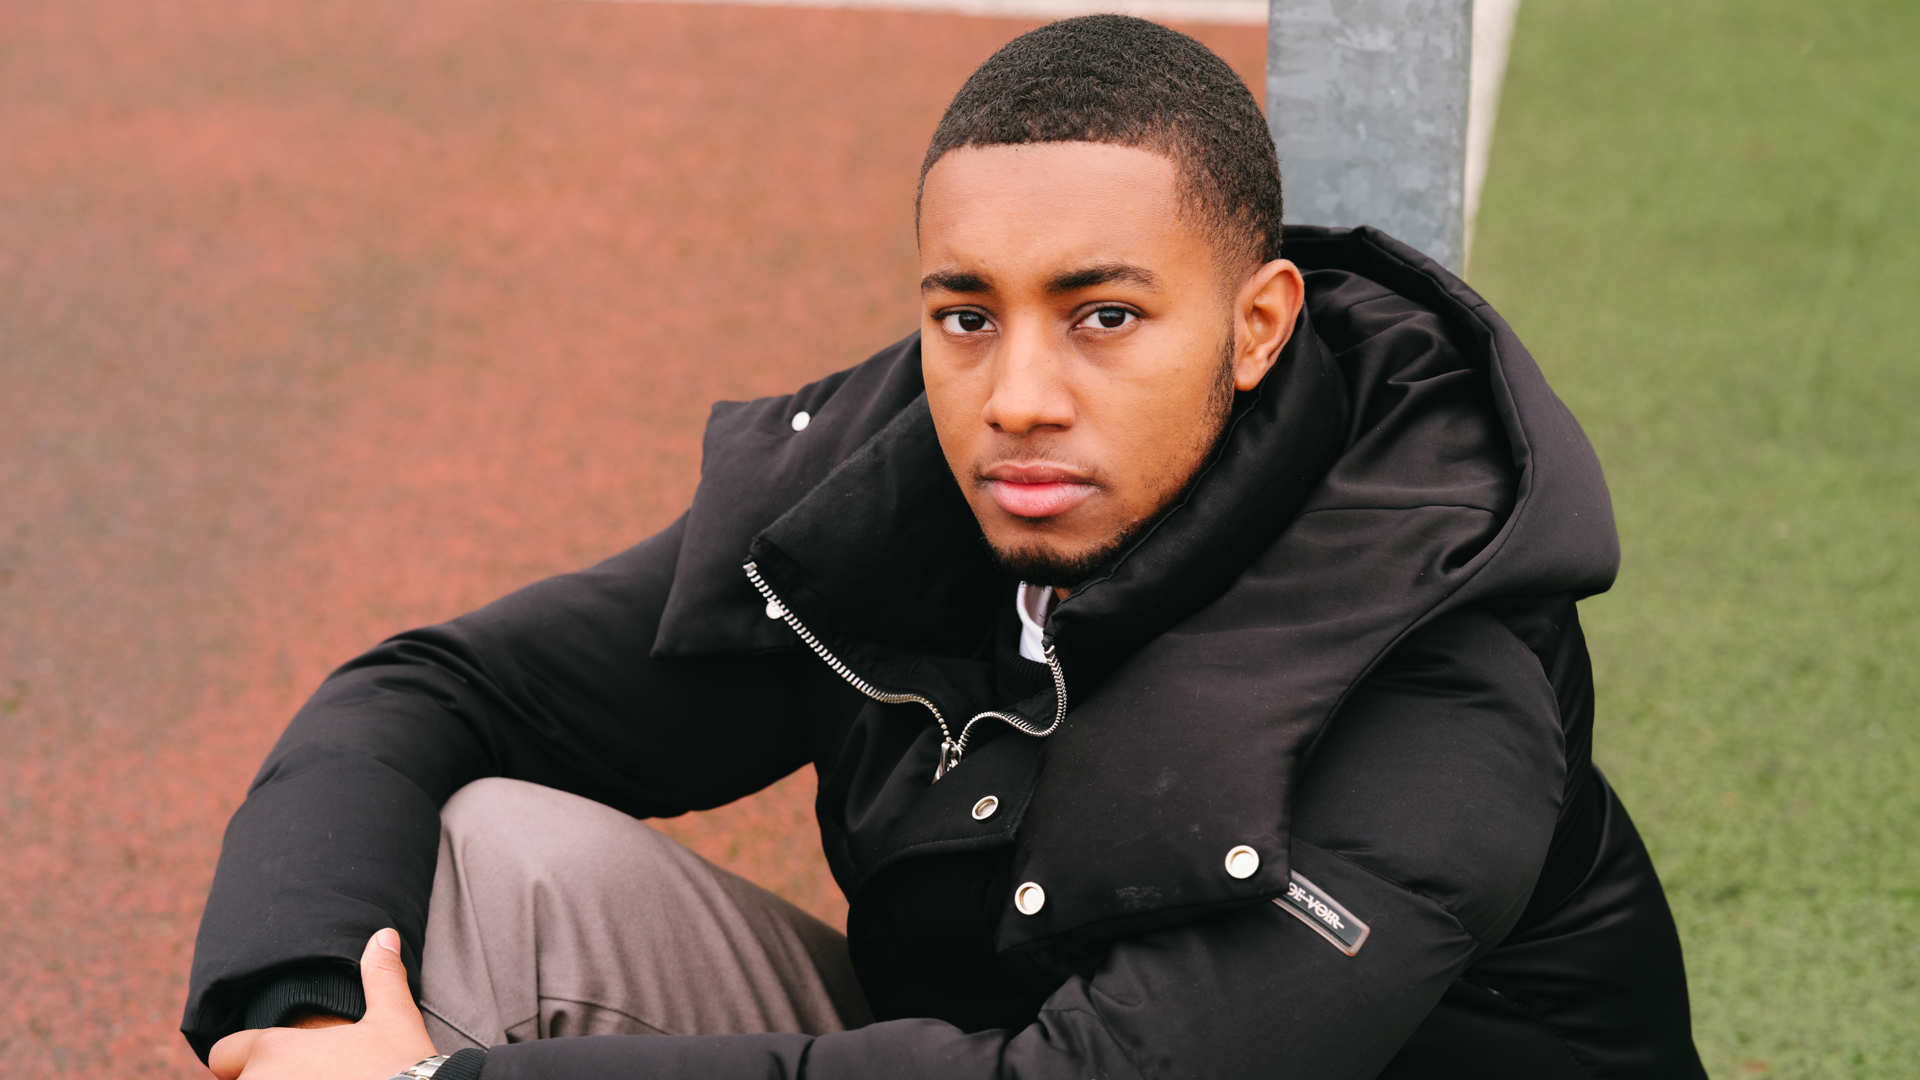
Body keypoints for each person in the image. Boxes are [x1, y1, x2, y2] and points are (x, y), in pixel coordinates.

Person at [185, 16, 1707, 1080]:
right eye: (967, 315)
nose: (1019, 397)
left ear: (1256, 329)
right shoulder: (901, 500)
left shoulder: (1433, 684)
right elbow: (424, 693)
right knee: (494, 855)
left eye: (1104, 315)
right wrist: (312, 1021)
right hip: (980, 1050)